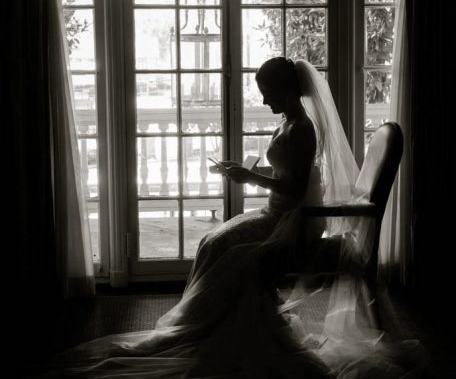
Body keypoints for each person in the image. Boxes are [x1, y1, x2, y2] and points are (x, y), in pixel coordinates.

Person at [35, 57, 425, 378]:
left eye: (268, 93)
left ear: (287, 90)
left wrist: (248, 176)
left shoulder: (303, 129)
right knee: (211, 241)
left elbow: (294, 189)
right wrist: (245, 170)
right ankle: (198, 326)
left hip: (294, 222)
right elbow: (286, 178)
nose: (265, 100)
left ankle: (217, 331)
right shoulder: (287, 122)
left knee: (230, 252)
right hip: (280, 213)